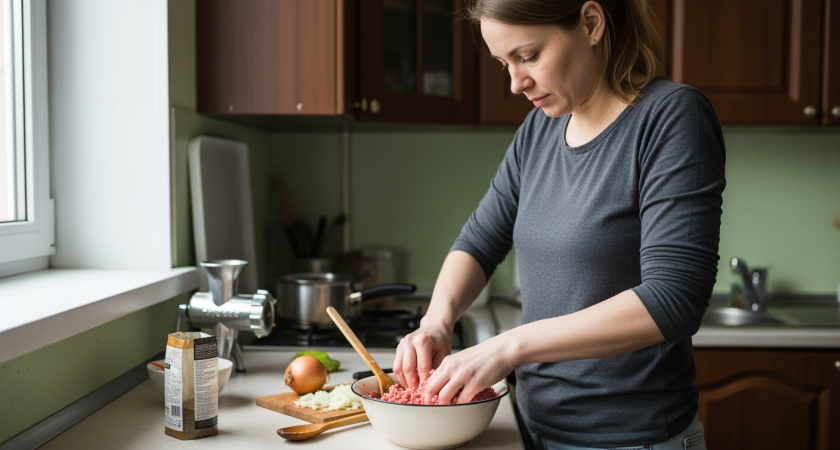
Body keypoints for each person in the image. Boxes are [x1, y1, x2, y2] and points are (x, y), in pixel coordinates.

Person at [392, 0, 724, 449]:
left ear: (590, 24)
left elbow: (674, 299)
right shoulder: (539, 131)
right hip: (533, 428)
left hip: (631, 438)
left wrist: (507, 347)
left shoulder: (671, 116)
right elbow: (480, 240)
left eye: (527, 56)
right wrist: (436, 320)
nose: (515, 83)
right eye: (503, 63)